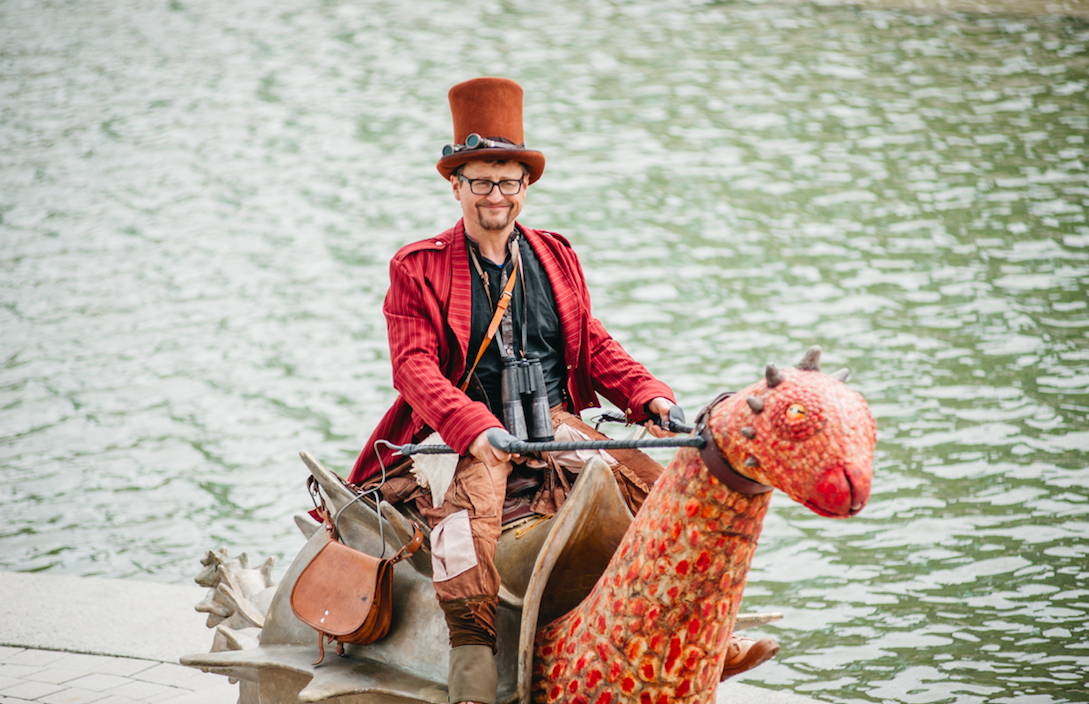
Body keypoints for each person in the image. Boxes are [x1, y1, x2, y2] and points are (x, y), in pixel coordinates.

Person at [347, 77, 776, 704]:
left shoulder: (555, 255)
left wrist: (649, 397)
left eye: (508, 180)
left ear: (526, 185)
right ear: (456, 183)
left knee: (669, 496)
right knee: (466, 543)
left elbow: (593, 344)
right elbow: (413, 369)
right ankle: (473, 686)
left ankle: (709, 637)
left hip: (554, 423)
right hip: (465, 433)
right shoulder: (417, 266)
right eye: (482, 181)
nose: (497, 194)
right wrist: (474, 427)